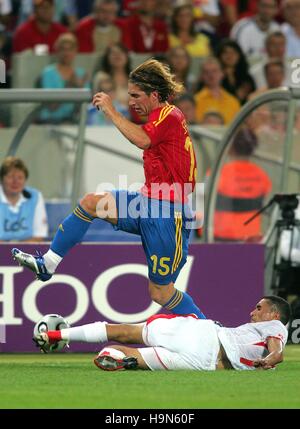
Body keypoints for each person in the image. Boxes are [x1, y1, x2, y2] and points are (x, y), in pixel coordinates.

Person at [12, 58, 206, 320]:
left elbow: (142, 140)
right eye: (129, 95)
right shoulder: (161, 118)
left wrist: (111, 111)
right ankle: (48, 263)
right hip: (147, 202)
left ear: (155, 95)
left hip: (169, 214)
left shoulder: (169, 115)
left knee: (160, 292)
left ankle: (209, 332)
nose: (132, 101)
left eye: (136, 95)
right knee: (92, 202)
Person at [34, 295, 291, 371]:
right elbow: (273, 358)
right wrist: (266, 362)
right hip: (204, 365)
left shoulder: (276, 327)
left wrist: (269, 359)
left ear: (275, 315)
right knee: (131, 354)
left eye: (259, 307)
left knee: (123, 332)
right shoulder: (263, 363)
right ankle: (118, 358)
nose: (252, 312)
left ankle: (54, 336)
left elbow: (277, 353)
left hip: (203, 336)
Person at [0, 157, 48, 242]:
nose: (15, 182)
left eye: (20, 177)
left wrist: (19, 253)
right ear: (2, 179)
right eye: (10, 177)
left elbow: (39, 235)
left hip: (26, 252)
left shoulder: (35, 196)